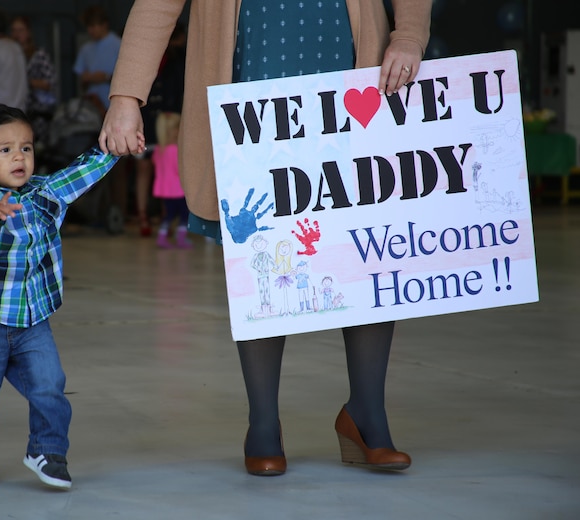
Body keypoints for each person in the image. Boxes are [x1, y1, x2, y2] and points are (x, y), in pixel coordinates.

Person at [100, 0, 431, 476]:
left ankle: (367, 415)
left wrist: (408, 34)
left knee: (367, 249)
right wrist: (126, 97)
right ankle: (262, 424)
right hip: (251, 79)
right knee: (263, 255)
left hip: (356, 71)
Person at [0, 103, 126, 488]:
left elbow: (80, 174)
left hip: (31, 322)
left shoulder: (44, 194)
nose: (19, 157)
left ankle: (47, 450)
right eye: (5, 149)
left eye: (26, 148)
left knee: (49, 386)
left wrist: (115, 147)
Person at [133, 22, 186, 237]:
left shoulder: (179, 58)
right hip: (147, 119)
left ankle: (168, 216)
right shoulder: (145, 54)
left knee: (169, 166)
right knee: (144, 168)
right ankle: (143, 215)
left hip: (169, 121)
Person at [10, 14, 58, 150]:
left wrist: (27, 82)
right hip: (17, 109)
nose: (17, 34)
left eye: (21, 30)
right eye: (14, 30)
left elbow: (51, 82)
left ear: (28, 32)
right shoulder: (10, 55)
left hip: (38, 113)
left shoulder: (39, 55)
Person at [151, 111, 191, 249]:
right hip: (178, 189)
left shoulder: (159, 149)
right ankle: (181, 238)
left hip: (165, 190)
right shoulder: (176, 150)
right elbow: (180, 170)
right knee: (184, 214)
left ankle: (162, 236)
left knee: (168, 215)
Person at [73, 6, 120, 112]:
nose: (90, 30)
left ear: (104, 25)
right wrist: (87, 79)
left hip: (114, 106)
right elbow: (81, 84)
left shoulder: (119, 45)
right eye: (88, 26)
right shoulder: (85, 49)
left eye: (94, 26)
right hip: (91, 108)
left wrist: (106, 77)